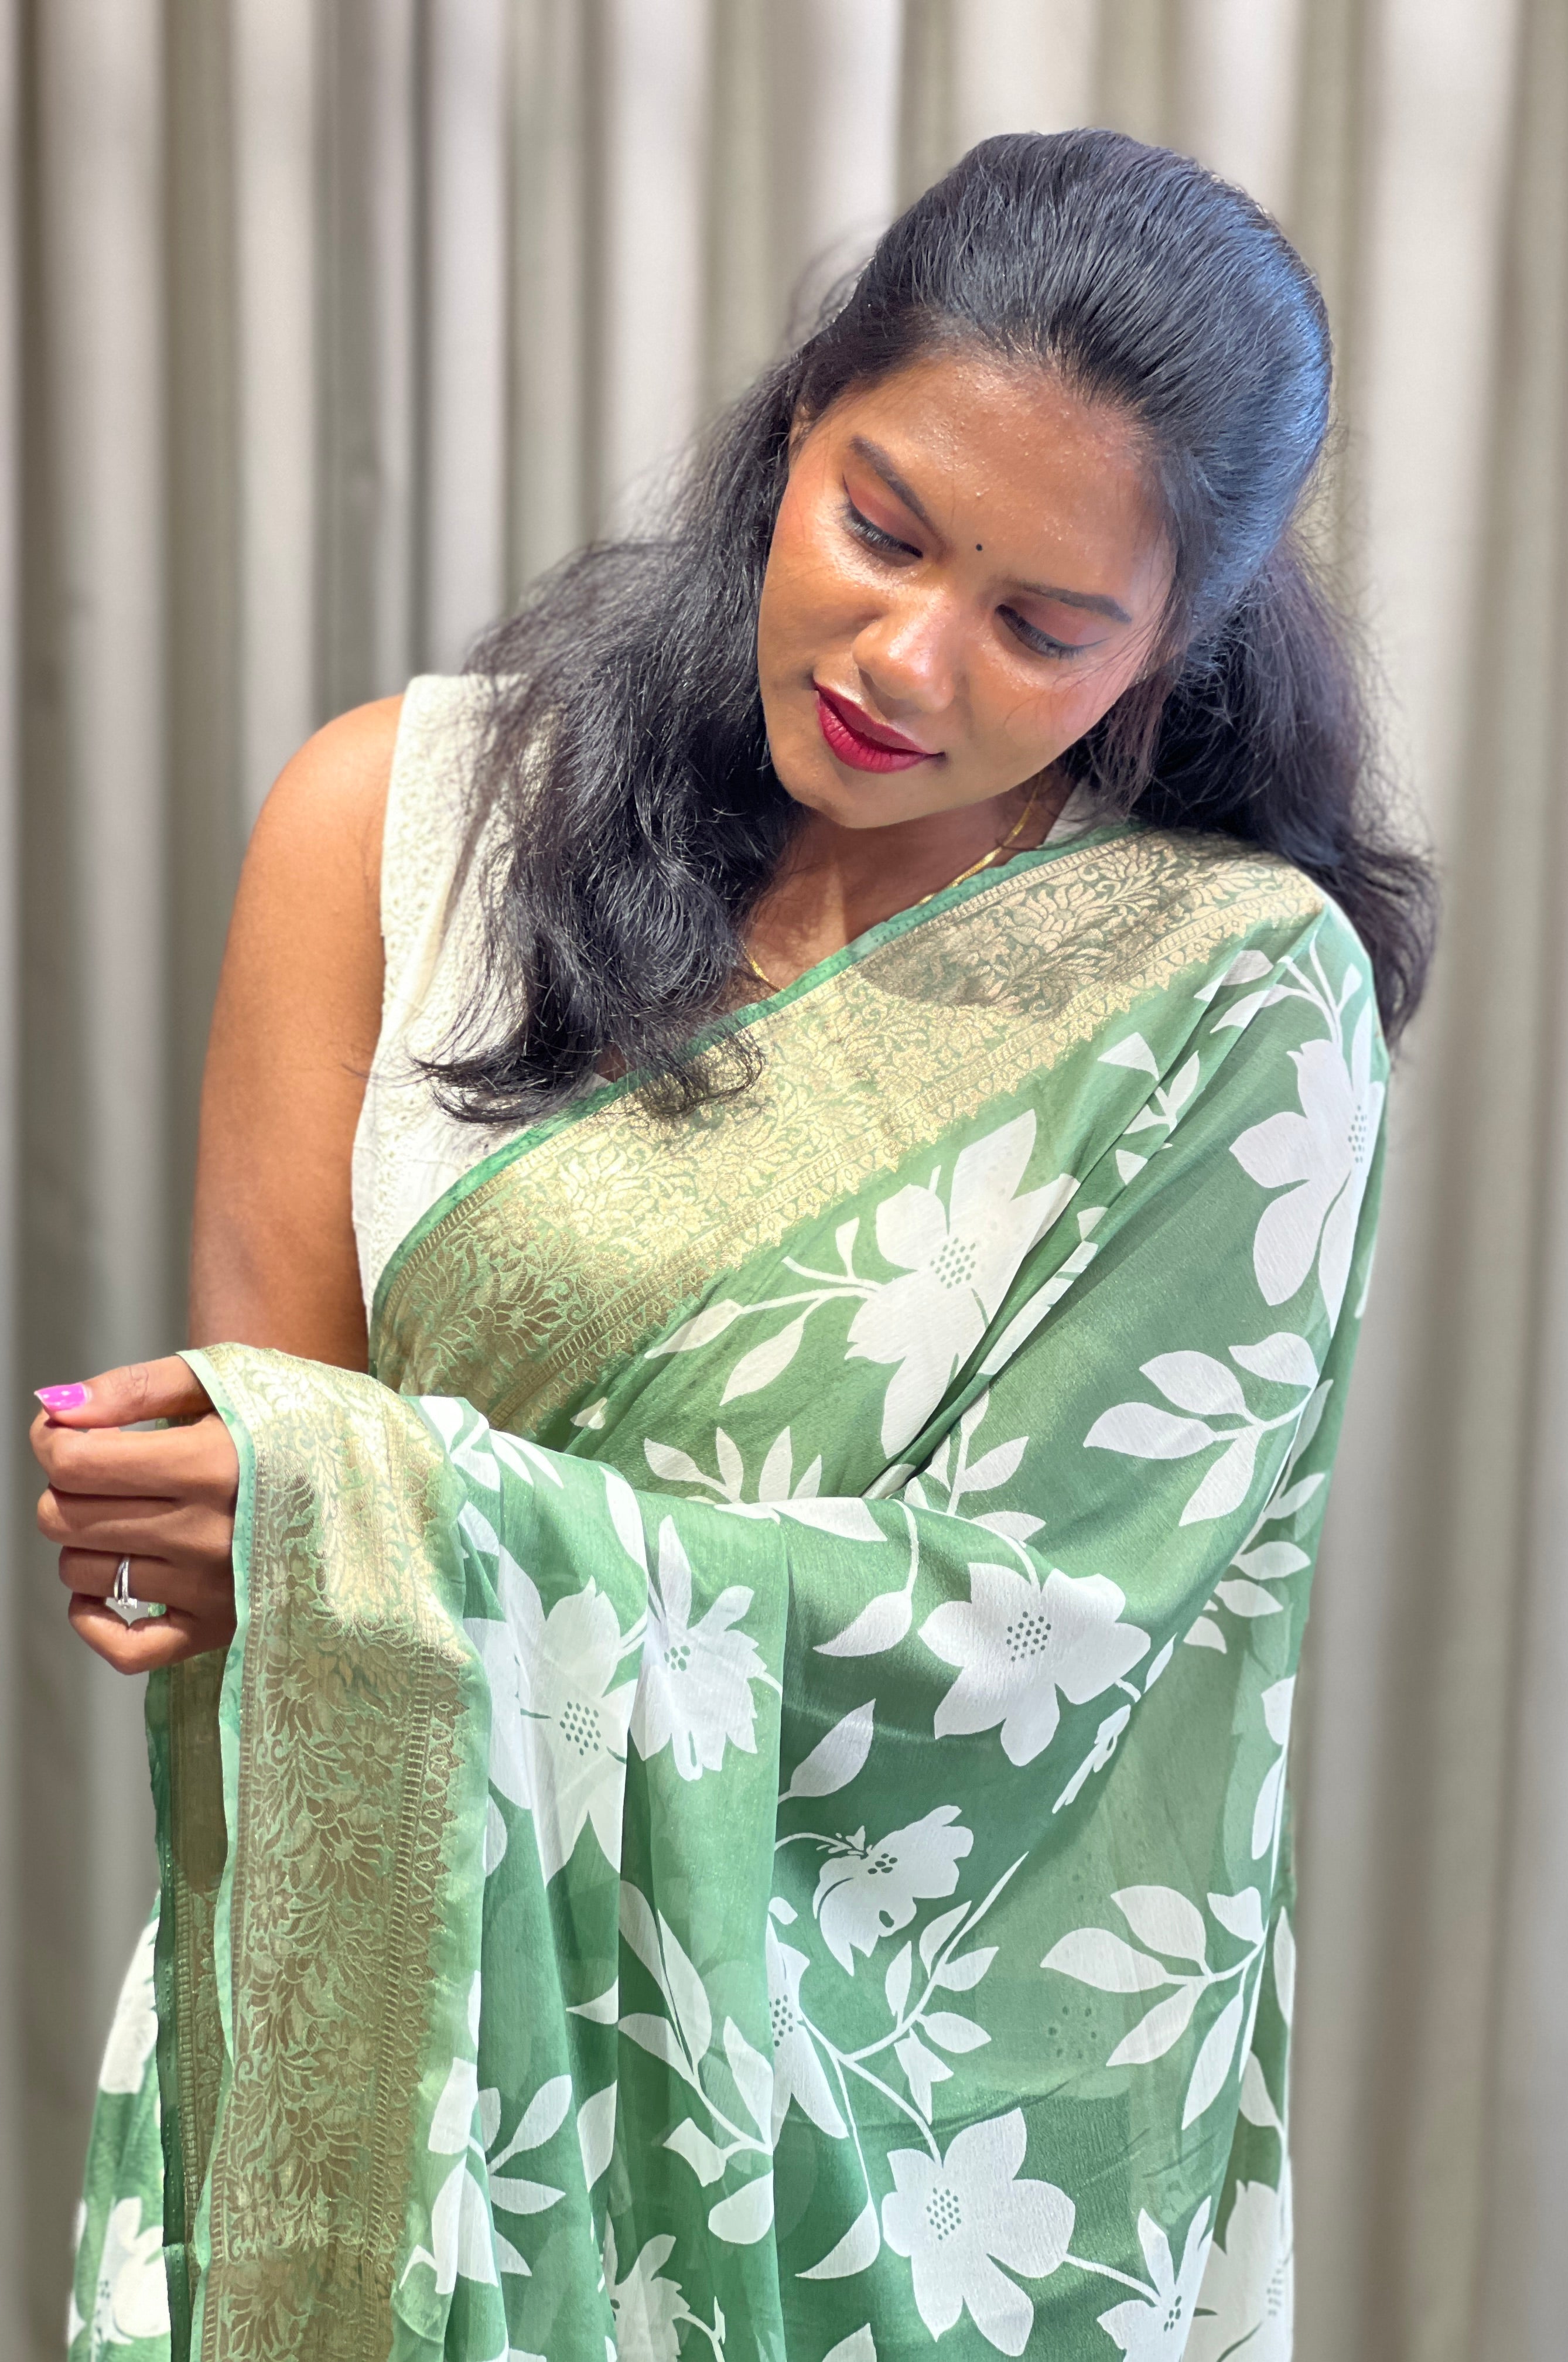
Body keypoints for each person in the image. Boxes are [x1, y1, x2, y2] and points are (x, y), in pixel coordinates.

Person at [38, 129, 1432, 2362]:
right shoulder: (396, 824)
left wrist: (387, 1523)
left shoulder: (1226, 999)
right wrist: (226, 1517)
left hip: (866, 2178)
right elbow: (291, 1528)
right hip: (416, 2070)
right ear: (797, 428)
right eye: (881, 528)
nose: (909, 658)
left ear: (1166, 647)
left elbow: (1054, 1639)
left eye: (1041, 627)